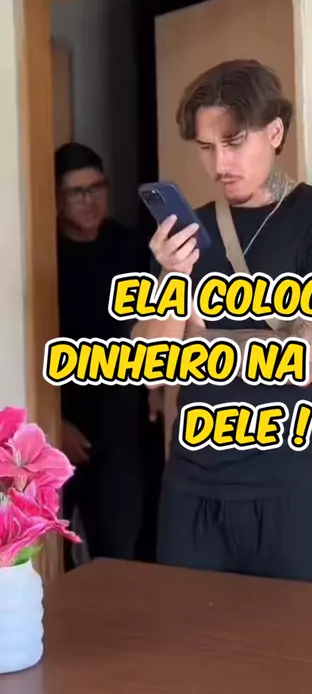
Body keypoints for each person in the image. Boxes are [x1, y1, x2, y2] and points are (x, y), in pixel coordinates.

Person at [133, 59, 312, 586]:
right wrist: (172, 280)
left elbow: (311, 358)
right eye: (206, 147)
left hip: (294, 488)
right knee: (189, 638)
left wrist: (206, 338)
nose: (220, 163)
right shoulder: (183, 239)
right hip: (192, 489)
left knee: (311, 637)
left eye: (234, 142)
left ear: (275, 133)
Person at [55, 142, 147, 568]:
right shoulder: (43, 253)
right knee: (50, 550)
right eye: (77, 192)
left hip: (119, 419)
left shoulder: (130, 247)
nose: (90, 200)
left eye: (97, 188)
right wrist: (55, 423)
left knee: (118, 547)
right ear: (57, 198)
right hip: (62, 416)